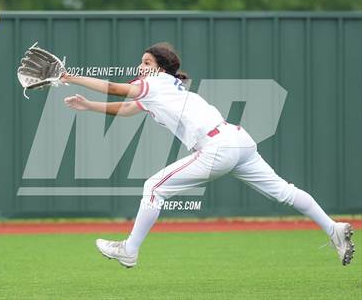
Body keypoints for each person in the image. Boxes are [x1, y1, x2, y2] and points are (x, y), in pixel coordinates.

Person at [62, 42, 355, 268]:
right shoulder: (163, 89)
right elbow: (127, 109)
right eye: (141, 61)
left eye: (147, 62)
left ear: (161, 68)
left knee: (152, 187)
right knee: (285, 192)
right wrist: (89, 106)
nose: (141, 66)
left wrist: (71, 77)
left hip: (217, 147)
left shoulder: (153, 83)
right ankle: (334, 228)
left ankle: (129, 250)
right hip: (238, 141)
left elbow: (116, 89)